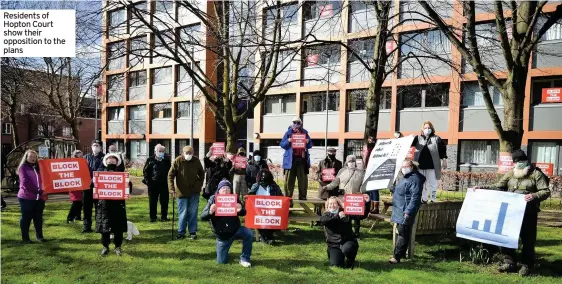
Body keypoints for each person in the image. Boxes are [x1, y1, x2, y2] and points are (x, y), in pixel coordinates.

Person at [477, 149, 550, 277]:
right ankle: (509, 262)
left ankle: (527, 265)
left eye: (520, 161)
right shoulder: (511, 173)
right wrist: (482, 188)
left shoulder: (536, 174)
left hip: (529, 212)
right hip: (511, 212)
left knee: (528, 239)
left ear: (525, 161)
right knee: (509, 236)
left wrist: (534, 195)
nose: (518, 164)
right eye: (516, 162)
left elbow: (545, 191)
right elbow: (499, 185)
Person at [200, 179, 253, 267]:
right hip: (222, 236)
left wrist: (240, 209)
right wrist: (210, 211)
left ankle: (245, 258)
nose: (225, 190)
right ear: (219, 190)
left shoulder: (234, 198)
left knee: (249, 233)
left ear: (231, 190)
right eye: (223, 188)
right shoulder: (213, 199)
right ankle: (222, 250)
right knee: (221, 262)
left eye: (228, 188)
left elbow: (244, 212)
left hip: (235, 230)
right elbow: (202, 216)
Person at [323, 155, 370, 239]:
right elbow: (335, 182)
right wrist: (327, 187)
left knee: (356, 217)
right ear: (346, 162)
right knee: (343, 214)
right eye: (349, 161)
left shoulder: (360, 172)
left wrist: (363, 193)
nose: (351, 163)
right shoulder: (342, 171)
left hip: (355, 198)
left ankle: (356, 233)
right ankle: (342, 231)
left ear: (355, 162)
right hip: (343, 197)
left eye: (352, 161)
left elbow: (364, 185)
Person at [389, 160, 425, 264]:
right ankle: (401, 254)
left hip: (405, 210)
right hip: (401, 209)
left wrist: (408, 211)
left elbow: (415, 197)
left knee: (403, 232)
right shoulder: (407, 177)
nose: (403, 168)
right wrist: (393, 188)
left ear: (412, 166)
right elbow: (403, 190)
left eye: (406, 166)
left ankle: (396, 256)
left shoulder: (415, 179)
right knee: (403, 232)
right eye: (402, 166)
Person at [168, 146, 205, 240]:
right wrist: (171, 188)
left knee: (193, 212)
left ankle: (192, 232)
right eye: (187, 153)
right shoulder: (178, 161)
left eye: (190, 153)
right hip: (181, 191)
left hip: (194, 191)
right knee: (183, 213)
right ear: (183, 153)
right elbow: (170, 175)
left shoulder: (196, 161)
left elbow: (202, 173)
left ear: (193, 153)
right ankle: (181, 232)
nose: (188, 155)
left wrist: (199, 184)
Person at [96, 153, 128, 256]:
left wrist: (128, 183)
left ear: (117, 161)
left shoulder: (122, 173)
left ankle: (118, 247)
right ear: (106, 161)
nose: (111, 161)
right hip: (104, 205)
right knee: (104, 227)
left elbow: (128, 190)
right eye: (109, 159)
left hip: (118, 205)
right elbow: (95, 188)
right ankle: (105, 247)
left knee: (118, 227)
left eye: (113, 159)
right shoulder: (100, 173)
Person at [411, 121, 447, 203]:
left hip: (432, 165)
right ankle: (424, 199)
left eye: (429, 128)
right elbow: (409, 144)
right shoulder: (417, 138)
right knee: (422, 183)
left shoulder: (436, 138)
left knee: (433, 183)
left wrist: (444, 160)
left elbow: (442, 150)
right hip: (420, 164)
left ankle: (433, 199)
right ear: (422, 129)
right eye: (425, 128)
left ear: (432, 129)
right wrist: (410, 138)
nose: (427, 129)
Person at [17, 150, 47, 243]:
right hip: (26, 197)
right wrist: (38, 191)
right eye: (30, 156)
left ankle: (39, 236)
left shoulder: (39, 167)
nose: (33, 158)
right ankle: (25, 238)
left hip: (39, 198)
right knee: (26, 218)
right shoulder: (23, 168)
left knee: (38, 217)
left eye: (34, 157)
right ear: (26, 157)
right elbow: (25, 183)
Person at [321, 196, 359, 269]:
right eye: (330, 204)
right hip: (334, 245)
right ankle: (334, 254)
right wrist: (338, 216)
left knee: (347, 249)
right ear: (327, 205)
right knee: (336, 265)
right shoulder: (326, 215)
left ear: (339, 205)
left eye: (335, 203)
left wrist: (367, 203)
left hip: (348, 241)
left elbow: (360, 215)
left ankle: (350, 261)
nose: (332, 205)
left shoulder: (346, 212)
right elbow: (324, 221)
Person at [280, 117, 313, 201]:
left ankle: (303, 197)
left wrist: (307, 141)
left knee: (303, 180)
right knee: (289, 182)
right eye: (295, 122)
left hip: (302, 160)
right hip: (291, 160)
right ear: (292, 123)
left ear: (301, 123)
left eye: (298, 122)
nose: (296, 124)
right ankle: (288, 200)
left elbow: (310, 145)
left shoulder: (305, 132)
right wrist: (288, 140)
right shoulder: (288, 133)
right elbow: (282, 145)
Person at [247, 169, 283, 244]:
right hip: (258, 212)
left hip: (271, 211)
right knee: (261, 219)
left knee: (271, 218)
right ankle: (266, 238)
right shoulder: (255, 186)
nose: (264, 182)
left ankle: (267, 236)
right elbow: (249, 198)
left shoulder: (274, 186)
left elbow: (281, 197)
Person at [143, 144, 172, 222]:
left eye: (162, 151)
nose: (161, 152)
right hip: (153, 184)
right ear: (155, 151)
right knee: (152, 201)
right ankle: (153, 217)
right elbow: (145, 171)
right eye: (159, 151)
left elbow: (170, 171)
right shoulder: (150, 159)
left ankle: (164, 217)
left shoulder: (166, 159)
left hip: (164, 184)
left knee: (164, 201)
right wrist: (148, 182)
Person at [83, 139, 105, 233]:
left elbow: (103, 169)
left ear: (100, 147)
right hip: (87, 187)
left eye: (97, 145)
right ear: (91, 147)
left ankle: (98, 226)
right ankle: (86, 227)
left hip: (98, 187)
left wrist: (95, 178)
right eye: (94, 145)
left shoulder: (104, 158)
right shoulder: (86, 157)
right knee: (86, 208)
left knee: (99, 208)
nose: (95, 147)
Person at [361, 136, 380, 214]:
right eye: (369, 139)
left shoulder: (377, 148)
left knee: (374, 189)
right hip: (366, 169)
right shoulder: (365, 147)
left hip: (374, 170)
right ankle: (370, 206)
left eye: (372, 140)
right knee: (368, 189)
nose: (371, 141)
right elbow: (363, 157)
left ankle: (376, 207)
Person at [67, 150, 84, 223]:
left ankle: (77, 217)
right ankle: (70, 218)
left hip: (81, 184)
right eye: (79, 156)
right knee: (76, 202)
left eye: (81, 155)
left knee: (80, 202)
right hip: (74, 184)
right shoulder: (71, 163)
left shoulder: (82, 162)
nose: (81, 157)